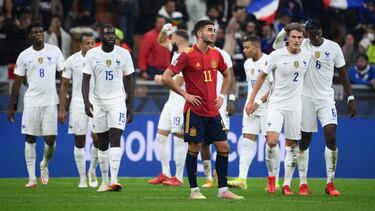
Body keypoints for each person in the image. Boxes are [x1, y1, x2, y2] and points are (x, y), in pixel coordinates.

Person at [273, 19, 356, 196]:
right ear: (307, 34)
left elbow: (342, 73)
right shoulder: (302, 45)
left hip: (326, 98)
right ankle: (303, 183)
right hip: (304, 98)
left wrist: (351, 97)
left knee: (331, 136)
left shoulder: (333, 48)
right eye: (313, 35)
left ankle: (330, 183)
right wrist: (284, 29)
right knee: (304, 141)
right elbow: (277, 46)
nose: (316, 37)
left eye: (319, 33)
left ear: (321, 30)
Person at [162, 19, 243, 200]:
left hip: (213, 110)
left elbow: (228, 74)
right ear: (199, 34)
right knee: (195, 146)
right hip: (194, 110)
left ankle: (223, 190)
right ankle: (194, 191)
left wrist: (222, 95)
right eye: (209, 30)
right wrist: (185, 94)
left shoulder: (216, 54)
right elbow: (167, 77)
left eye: (214, 30)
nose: (213, 33)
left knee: (224, 147)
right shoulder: (186, 55)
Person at [247, 23, 311, 195]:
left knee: (292, 146)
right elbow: (262, 77)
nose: (296, 40)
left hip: (295, 106)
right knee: (271, 141)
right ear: (288, 38)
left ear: (303, 39)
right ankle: (271, 177)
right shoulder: (276, 55)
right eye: (293, 37)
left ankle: (287, 185)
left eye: (299, 37)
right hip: (276, 104)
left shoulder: (308, 55)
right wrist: (252, 100)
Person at [7, 22, 65, 188]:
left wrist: (63, 104)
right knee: (30, 138)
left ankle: (44, 164)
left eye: (41, 31)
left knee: (50, 139)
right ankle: (32, 178)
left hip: (50, 102)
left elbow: (63, 78)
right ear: (29, 36)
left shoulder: (54, 51)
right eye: (35, 32)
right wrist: (11, 105)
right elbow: (17, 81)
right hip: (31, 102)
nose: (39, 34)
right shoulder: (24, 55)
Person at [82, 24, 135, 192]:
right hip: (98, 102)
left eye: (112, 34)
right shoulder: (92, 54)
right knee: (102, 142)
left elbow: (129, 80)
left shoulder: (124, 54)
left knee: (115, 138)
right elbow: (85, 80)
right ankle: (104, 181)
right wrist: (86, 101)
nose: (111, 36)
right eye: (107, 34)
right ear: (101, 36)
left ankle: (114, 179)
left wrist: (130, 105)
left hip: (117, 102)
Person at [228, 35, 281, 190]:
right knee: (246, 141)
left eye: (247, 47)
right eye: (244, 47)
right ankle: (242, 179)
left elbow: (274, 87)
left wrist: (258, 102)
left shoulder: (269, 60)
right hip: (251, 107)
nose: (244, 51)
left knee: (270, 144)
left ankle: (274, 180)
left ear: (257, 47)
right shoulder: (247, 64)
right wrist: (251, 102)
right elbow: (253, 87)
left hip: (268, 108)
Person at [148, 24, 189, 186]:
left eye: (173, 37)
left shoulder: (188, 55)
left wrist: (160, 79)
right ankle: (165, 173)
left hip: (181, 101)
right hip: (171, 101)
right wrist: (164, 30)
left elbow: (178, 81)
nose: (170, 39)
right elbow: (160, 41)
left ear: (179, 38)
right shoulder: (177, 51)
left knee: (178, 138)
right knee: (161, 135)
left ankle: (178, 177)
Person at [58, 32, 99, 188]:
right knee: (79, 140)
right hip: (77, 104)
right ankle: (82, 178)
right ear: (80, 45)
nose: (90, 46)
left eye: (92, 43)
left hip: (96, 103)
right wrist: (62, 109)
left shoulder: (99, 58)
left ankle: (92, 171)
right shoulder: (72, 61)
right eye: (87, 43)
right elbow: (63, 86)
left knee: (97, 138)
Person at [200, 43, 236, 189]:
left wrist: (232, 99)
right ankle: (208, 178)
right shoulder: (197, 54)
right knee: (203, 142)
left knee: (222, 141)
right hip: (203, 104)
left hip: (220, 104)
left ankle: (219, 174)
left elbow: (231, 77)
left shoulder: (223, 54)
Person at [138, 15, 171, 80]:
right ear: (155, 23)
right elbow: (142, 54)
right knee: (154, 89)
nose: (161, 24)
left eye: (163, 23)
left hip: (166, 70)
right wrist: (143, 70)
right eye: (159, 22)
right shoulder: (149, 36)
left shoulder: (168, 36)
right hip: (153, 70)